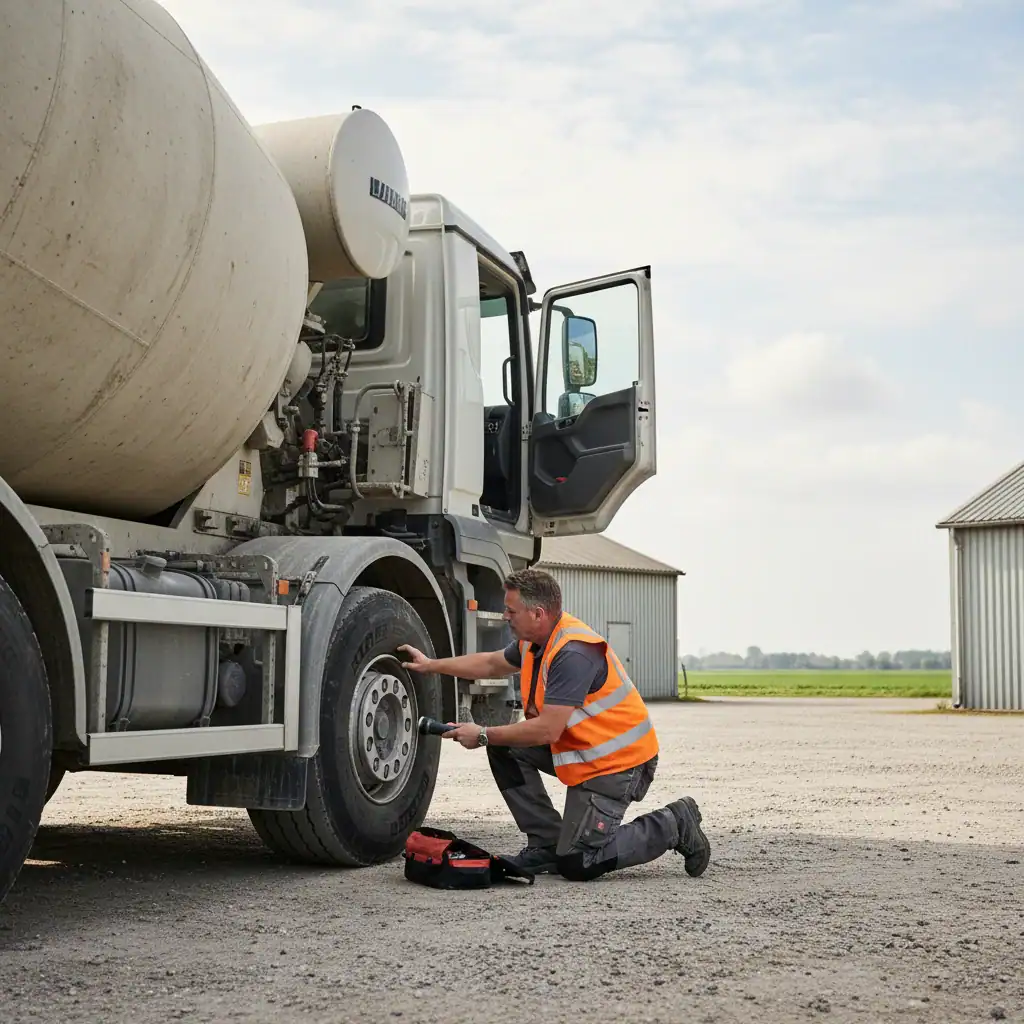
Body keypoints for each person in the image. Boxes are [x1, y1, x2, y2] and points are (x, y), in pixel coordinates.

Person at [399, 568, 710, 882]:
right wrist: (430, 665)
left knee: (580, 862)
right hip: (585, 751)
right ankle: (546, 841)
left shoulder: (573, 653)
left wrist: (481, 734)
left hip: (618, 764)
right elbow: (492, 663)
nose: (505, 616)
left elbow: (547, 731)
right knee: (503, 746)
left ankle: (674, 823)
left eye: (511, 610)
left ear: (537, 613)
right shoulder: (534, 642)